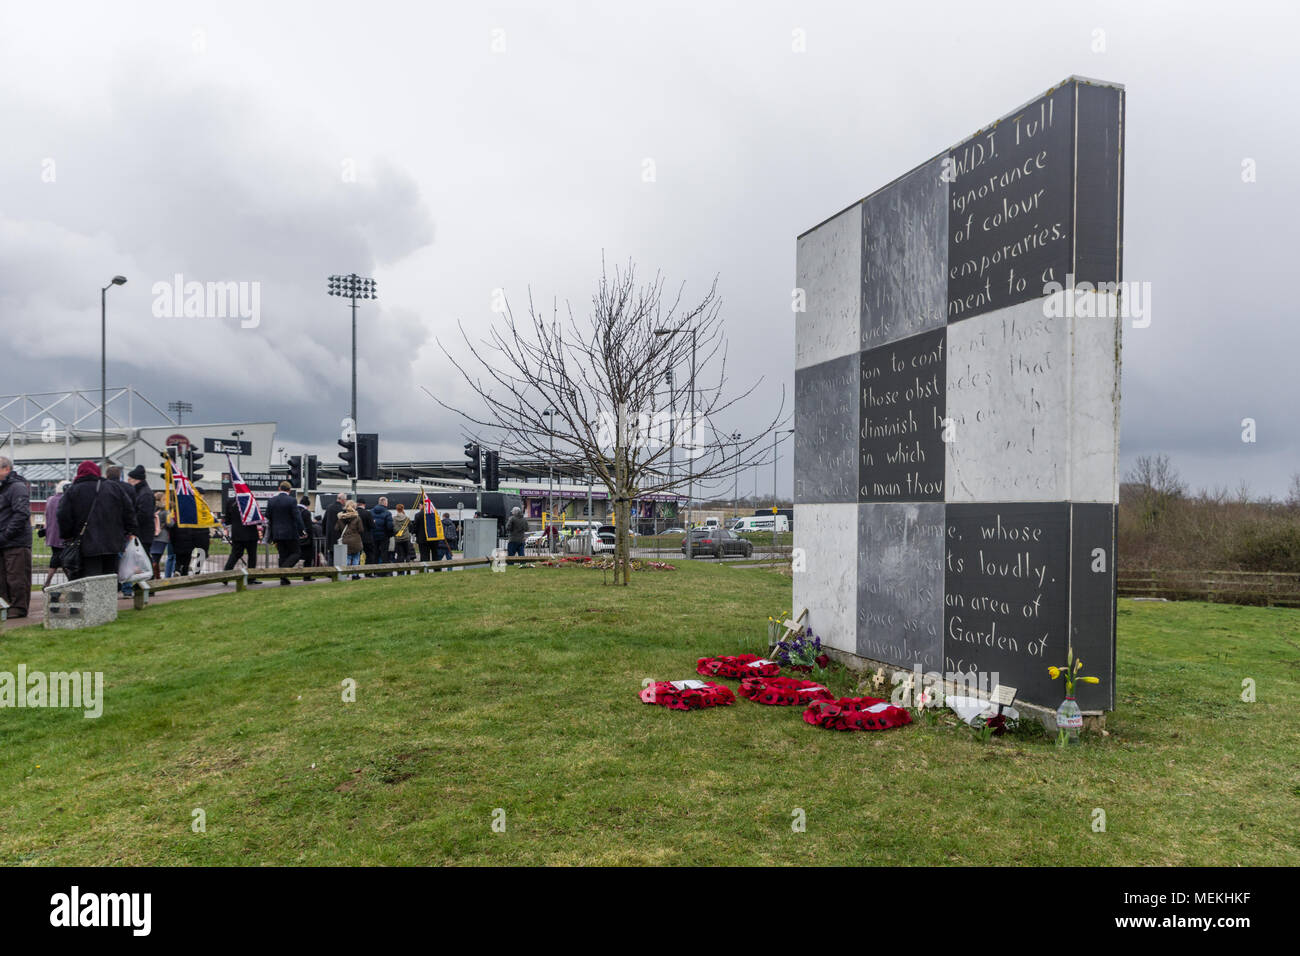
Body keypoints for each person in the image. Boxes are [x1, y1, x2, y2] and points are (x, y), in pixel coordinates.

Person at [56, 460, 136, 581]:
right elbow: (129, 511)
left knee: (90, 579)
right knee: (109, 578)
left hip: (85, 544)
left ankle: (92, 600)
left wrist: (68, 536)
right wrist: (129, 531)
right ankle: (108, 599)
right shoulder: (113, 488)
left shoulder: (73, 491)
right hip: (113, 543)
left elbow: (63, 515)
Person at [0, 455, 33, 618]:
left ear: (6, 469)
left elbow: (21, 513)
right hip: (5, 540)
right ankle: (5, 605)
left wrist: (6, 535)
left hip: (16, 541)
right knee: (3, 577)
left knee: (17, 576)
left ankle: (18, 607)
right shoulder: (5, 488)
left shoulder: (17, 487)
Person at [265, 480, 305, 586]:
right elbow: (297, 517)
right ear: (289, 490)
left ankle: (284, 579)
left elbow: (268, 515)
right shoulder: (291, 500)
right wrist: (302, 530)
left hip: (277, 533)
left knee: (283, 555)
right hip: (290, 532)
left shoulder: (271, 500)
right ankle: (283, 571)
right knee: (296, 553)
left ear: (279, 488)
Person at [223, 490, 263, 582]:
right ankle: (251, 578)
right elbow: (258, 518)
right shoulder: (251, 501)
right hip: (251, 533)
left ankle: (225, 575)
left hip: (237, 534)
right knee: (252, 556)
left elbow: (228, 520)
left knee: (235, 555)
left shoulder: (230, 502)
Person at [336, 501, 364, 578]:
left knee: (347, 558)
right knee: (356, 558)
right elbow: (361, 529)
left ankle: (345, 574)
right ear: (354, 507)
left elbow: (336, 528)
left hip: (345, 540)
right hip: (356, 541)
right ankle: (355, 575)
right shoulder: (357, 518)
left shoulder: (340, 518)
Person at [149, 491, 169, 579]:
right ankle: (156, 577)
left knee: (153, 557)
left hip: (151, 535)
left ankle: (155, 576)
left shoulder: (151, 508)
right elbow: (171, 523)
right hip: (161, 536)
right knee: (156, 559)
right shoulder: (164, 511)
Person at [370, 496, 393, 570]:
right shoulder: (387, 513)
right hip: (384, 537)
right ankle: (384, 571)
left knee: (375, 553)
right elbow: (390, 527)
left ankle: (375, 570)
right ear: (385, 503)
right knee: (384, 554)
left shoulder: (371, 512)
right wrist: (390, 534)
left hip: (373, 536)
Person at [298, 495, 316, 580]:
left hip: (296, 538)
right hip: (306, 540)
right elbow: (309, 527)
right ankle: (307, 576)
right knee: (308, 558)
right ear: (307, 505)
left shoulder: (295, 510)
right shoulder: (306, 512)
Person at [391, 503, 415, 569]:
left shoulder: (394, 519)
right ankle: (408, 569)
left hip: (398, 538)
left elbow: (392, 528)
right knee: (407, 554)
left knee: (399, 555)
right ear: (402, 509)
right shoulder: (406, 518)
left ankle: (400, 570)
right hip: (406, 538)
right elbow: (411, 527)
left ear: (397, 509)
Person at [356, 498, 376, 575]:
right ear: (364, 504)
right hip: (367, 538)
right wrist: (373, 522)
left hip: (357, 538)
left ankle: (355, 573)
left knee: (356, 556)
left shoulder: (354, 513)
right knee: (370, 555)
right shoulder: (367, 513)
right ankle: (368, 572)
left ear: (357, 504)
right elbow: (372, 526)